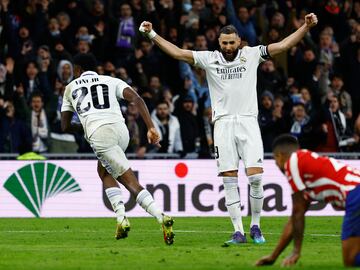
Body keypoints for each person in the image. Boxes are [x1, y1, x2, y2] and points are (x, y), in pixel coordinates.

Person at [139, 13, 318, 245]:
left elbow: (283, 44)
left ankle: (256, 226)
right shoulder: (209, 58)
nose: (228, 47)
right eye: (224, 43)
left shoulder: (252, 54)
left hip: (248, 122)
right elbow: (178, 53)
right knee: (229, 180)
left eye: (232, 42)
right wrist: (152, 34)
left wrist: (305, 27)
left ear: (239, 41)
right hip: (222, 124)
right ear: (219, 43)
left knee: (256, 178)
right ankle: (238, 231)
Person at [60, 53, 174, 245]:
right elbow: (137, 99)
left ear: (77, 70)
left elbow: (65, 126)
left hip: (100, 134)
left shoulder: (70, 87)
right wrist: (150, 127)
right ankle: (121, 218)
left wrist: (86, 125)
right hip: (122, 132)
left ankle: (161, 216)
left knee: (129, 181)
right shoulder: (111, 80)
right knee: (103, 170)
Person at [256, 134, 360, 267]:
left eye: (276, 162)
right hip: (355, 194)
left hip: (355, 195)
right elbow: (294, 219)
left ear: (279, 156)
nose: (278, 166)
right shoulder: (307, 170)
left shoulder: (292, 162)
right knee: (351, 259)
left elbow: (297, 211)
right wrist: (273, 256)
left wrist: (296, 251)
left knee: (350, 259)